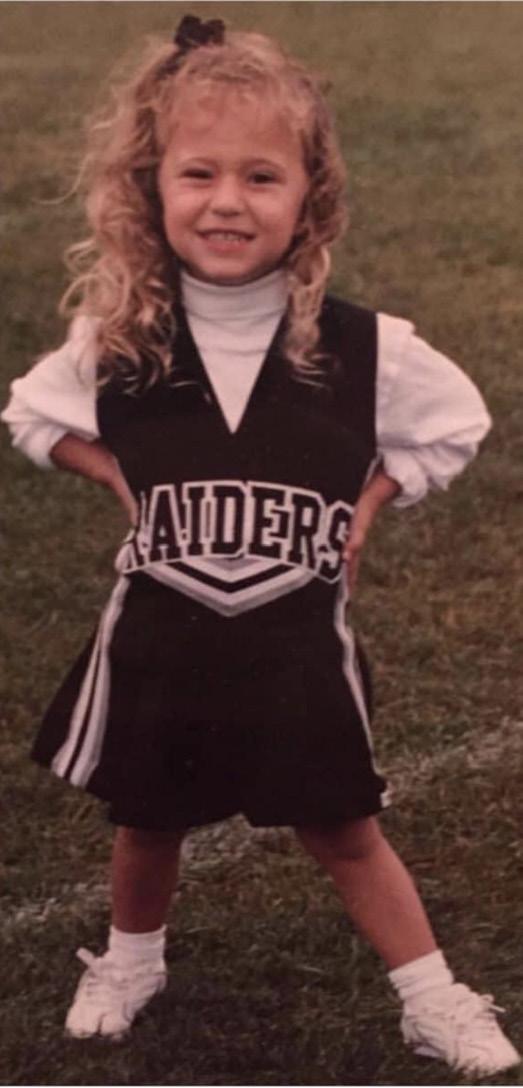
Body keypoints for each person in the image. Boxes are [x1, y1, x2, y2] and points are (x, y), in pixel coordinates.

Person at [2, 14, 519, 1076]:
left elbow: (455, 423)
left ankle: (431, 998)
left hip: (295, 647)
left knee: (343, 827)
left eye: (260, 176)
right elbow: (30, 415)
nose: (227, 201)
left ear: (308, 197)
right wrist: (120, 477)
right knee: (147, 817)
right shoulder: (120, 341)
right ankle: (131, 962)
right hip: (158, 642)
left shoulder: (367, 346)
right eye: (198, 173)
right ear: (150, 187)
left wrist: (368, 504)